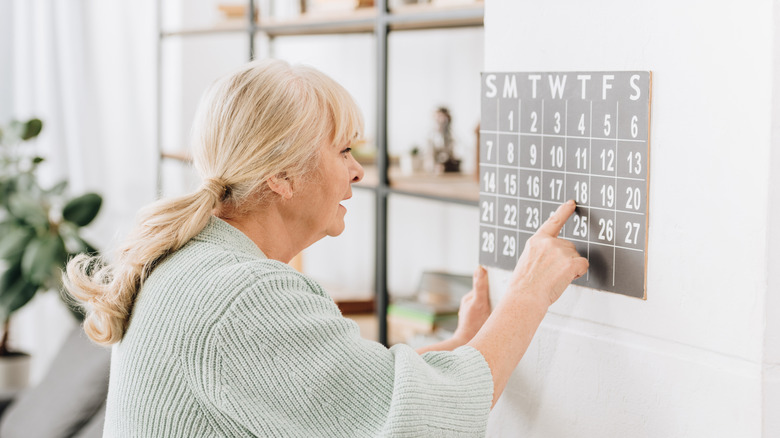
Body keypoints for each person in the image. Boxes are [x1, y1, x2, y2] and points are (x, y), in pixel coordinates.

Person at [64, 59, 588, 437]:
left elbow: (343, 395)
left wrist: (464, 344)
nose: (358, 169)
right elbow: (420, 428)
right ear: (283, 177)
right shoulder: (243, 297)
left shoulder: (197, 265)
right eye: (343, 150)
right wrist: (528, 292)